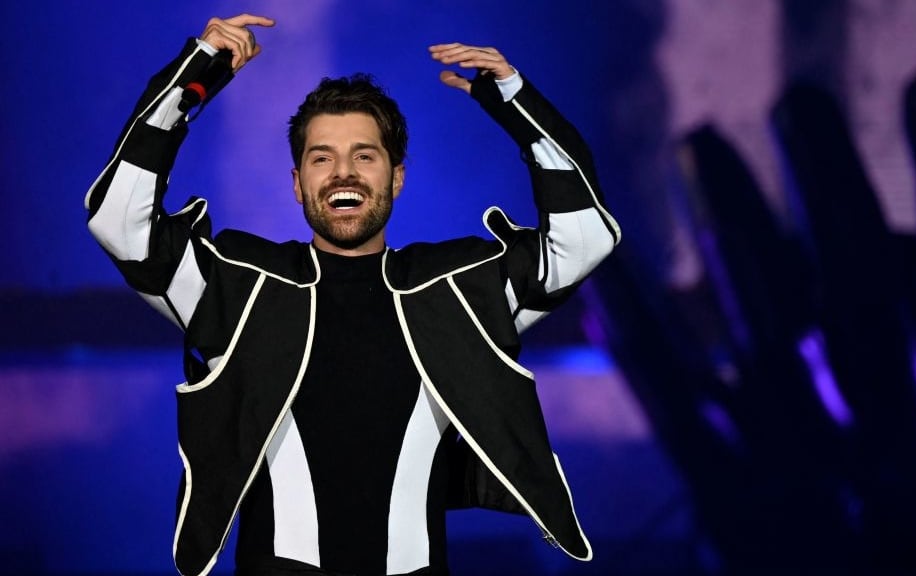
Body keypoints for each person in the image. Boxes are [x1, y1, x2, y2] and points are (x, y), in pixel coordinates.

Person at [85, 12, 619, 576]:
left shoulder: (454, 290)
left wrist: (514, 101)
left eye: (365, 155)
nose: (344, 173)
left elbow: (582, 237)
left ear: (397, 178)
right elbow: (120, 220)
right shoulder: (241, 287)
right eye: (322, 158)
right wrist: (194, 77)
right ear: (297, 183)